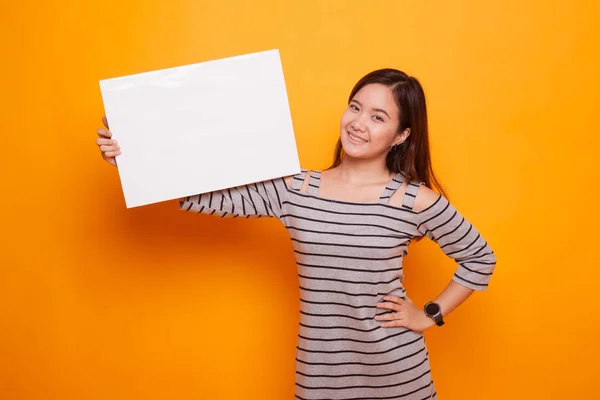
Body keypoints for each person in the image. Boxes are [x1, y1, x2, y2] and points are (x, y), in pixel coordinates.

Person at [96, 68, 496, 400]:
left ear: (401, 135)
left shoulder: (413, 200)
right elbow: (205, 194)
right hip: (319, 377)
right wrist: (133, 157)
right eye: (355, 108)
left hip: (398, 376)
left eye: (378, 117)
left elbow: (480, 258)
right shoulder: (295, 189)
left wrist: (428, 315)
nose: (358, 123)